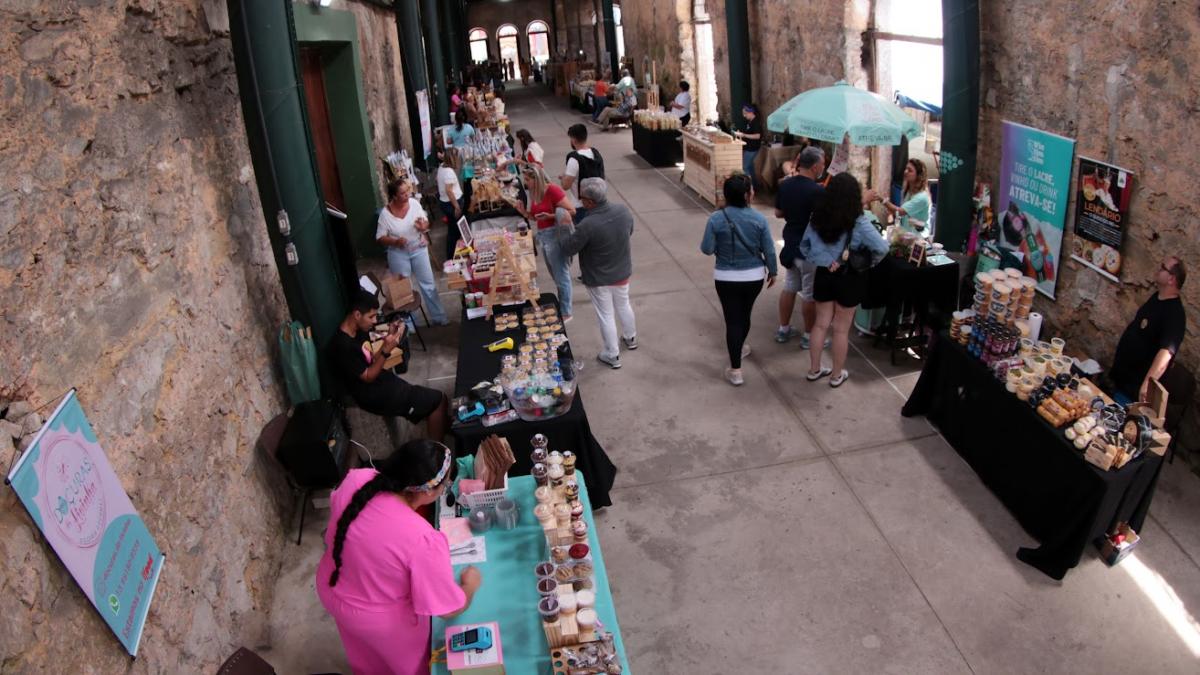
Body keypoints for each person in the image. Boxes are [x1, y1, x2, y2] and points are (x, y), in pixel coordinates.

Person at [316, 439, 480, 675]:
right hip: (377, 621)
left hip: (332, 588)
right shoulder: (423, 540)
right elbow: (446, 609)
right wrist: (470, 585)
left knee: (366, 657)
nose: (445, 489)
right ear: (428, 491)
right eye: (444, 485)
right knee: (407, 666)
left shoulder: (358, 479)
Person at [799, 173, 890, 387]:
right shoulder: (858, 221)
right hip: (849, 278)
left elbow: (804, 246)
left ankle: (814, 369)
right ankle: (836, 375)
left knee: (820, 325)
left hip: (824, 275)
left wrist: (824, 260)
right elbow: (882, 247)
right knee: (841, 330)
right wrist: (867, 263)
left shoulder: (817, 217)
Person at [328, 291, 450, 439]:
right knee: (439, 400)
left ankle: (442, 429)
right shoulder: (343, 346)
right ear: (357, 314)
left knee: (434, 401)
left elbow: (372, 359)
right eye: (371, 317)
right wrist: (386, 351)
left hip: (383, 382)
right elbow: (368, 376)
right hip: (373, 395)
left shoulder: (359, 330)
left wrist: (389, 337)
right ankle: (437, 451)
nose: (374, 321)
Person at [701, 175, 779, 386]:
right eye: (751, 190)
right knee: (744, 315)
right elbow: (769, 250)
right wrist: (773, 271)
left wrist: (721, 248)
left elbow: (706, 248)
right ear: (746, 195)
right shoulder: (759, 219)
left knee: (732, 320)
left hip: (725, 277)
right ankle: (741, 347)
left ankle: (735, 370)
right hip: (754, 277)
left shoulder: (716, 219)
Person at [556, 178, 636, 369]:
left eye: (582, 198)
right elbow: (629, 232)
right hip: (622, 271)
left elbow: (568, 248)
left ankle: (612, 354)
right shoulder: (623, 211)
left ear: (590, 202)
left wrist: (565, 226)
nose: (580, 200)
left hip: (599, 278)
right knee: (623, 304)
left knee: (606, 315)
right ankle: (630, 337)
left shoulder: (587, 224)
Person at [1108, 256, 1187, 404]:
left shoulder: (1175, 315)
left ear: (1171, 279)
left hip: (1133, 389)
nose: (1158, 269)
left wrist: (1147, 383)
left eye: (1163, 268)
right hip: (1122, 379)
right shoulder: (1157, 297)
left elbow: (1166, 353)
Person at [376, 179, 450, 326]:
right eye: (402, 193)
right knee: (404, 289)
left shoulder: (414, 204)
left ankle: (439, 317)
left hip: (418, 249)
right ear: (394, 196)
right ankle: (409, 325)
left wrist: (423, 226)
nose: (407, 195)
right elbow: (379, 237)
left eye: (407, 191)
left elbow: (426, 222)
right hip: (398, 254)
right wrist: (395, 242)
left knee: (428, 284)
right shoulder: (385, 214)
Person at [774, 146, 827, 348]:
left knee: (789, 287)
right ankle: (808, 336)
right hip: (809, 250)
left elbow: (778, 213)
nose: (823, 168)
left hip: (790, 244)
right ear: (814, 167)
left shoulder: (786, 185)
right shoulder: (818, 191)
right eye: (822, 164)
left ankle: (783, 329)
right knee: (809, 294)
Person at [515, 165, 577, 319]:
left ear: (536, 179)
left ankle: (566, 312)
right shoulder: (534, 193)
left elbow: (571, 211)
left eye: (528, 180)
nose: (525, 183)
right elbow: (534, 217)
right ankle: (562, 305)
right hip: (544, 237)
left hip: (555, 235)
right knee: (555, 275)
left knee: (561, 276)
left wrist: (550, 216)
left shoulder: (553, 190)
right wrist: (523, 212)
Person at [561, 124, 605, 223]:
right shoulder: (596, 153)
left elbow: (565, 186)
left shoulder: (574, 159)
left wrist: (564, 177)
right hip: (597, 204)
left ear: (573, 140)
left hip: (580, 207)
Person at [882, 158, 932, 236]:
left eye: (910, 170)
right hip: (906, 234)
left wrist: (882, 200)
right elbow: (900, 215)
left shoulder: (921, 197)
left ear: (918, 175)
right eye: (906, 169)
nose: (905, 172)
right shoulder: (908, 191)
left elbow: (899, 212)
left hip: (918, 237)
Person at [437, 148, 465, 261]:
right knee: (454, 232)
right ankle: (452, 257)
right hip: (452, 203)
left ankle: (452, 255)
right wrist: (457, 207)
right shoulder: (448, 172)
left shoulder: (441, 167)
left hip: (446, 202)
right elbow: (449, 190)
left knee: (453, 230)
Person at [733, 103, 763, 189]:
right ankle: (754, 186)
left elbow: (758, 136)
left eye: (745, 113)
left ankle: (749, 188)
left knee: (745, 167)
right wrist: (741, 133)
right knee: (750, 167)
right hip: (749, 147)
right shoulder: (750, 122)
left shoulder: (756, 122)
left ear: (751, 112)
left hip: (752, 148)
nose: (744, 115)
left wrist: (744, 135)